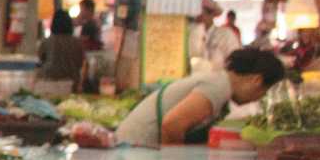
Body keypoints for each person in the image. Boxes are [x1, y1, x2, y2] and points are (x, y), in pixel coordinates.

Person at [114, 48, 286, 147]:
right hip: (135, 149)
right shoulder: (219, 87)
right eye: (264, 91)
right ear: (257, 80)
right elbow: (172, 125)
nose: (258, 98)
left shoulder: (219, 83)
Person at [36, 10, 85, 88]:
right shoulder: (77, 43)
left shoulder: (48, 41)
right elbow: (80, 63)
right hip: (71, 82)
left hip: (49, 81)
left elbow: (40, 60)